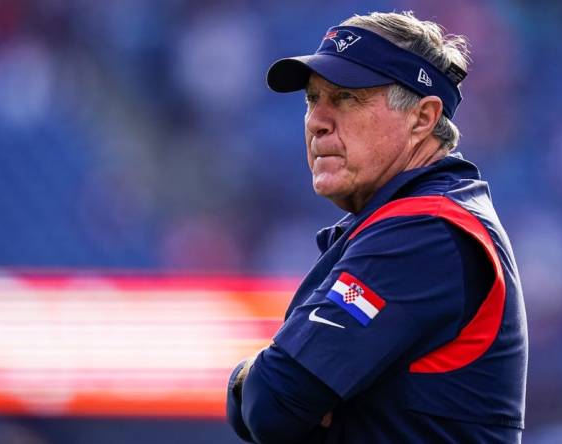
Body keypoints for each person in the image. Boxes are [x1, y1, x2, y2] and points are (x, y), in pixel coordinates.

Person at [226, 11, 527, 444]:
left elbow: (272, 403)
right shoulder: (412, 223)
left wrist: (245, 378)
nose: (317, 120)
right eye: (313, 98)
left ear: (422, 118)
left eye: (346, 98)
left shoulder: (424, 231)